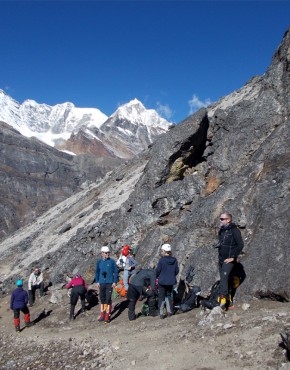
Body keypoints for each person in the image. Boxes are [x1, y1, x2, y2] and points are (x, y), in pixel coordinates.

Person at [217, 213, 244, 311]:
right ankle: (229, 302)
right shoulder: (222, 231)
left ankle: (222, 302)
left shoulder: (234, 230)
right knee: (225, 280)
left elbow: (240, 244)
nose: (220, 220)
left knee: (224, 279)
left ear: (228, 220)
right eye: (220, 219)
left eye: (222, 219)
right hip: (221, 259)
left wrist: (233, 257)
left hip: (228, 260)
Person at [95, 246, 118, 323]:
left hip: (109, 282)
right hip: (101, 282)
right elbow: (97, 272)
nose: (107, 254)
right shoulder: (99, 262)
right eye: (106, 253)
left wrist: (115, 281)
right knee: (102, 298)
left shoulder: (112, 261)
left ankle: (107, 315)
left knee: (108, 299)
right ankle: (102, 313)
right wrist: (97, 281)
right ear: (102, 253)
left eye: (108, 252)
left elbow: (116, 271)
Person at [156, 244, 179, 319]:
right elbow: (176, 271)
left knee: (161, 297)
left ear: (164, 251)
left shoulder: (162, 260)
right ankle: (170, 311)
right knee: (168, 295)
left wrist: (158, 276)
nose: (161, 252)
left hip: (162, 281)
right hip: (170, 281)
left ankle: (161, 313)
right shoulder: (174, 260)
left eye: (162, 251)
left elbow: (158, 270)